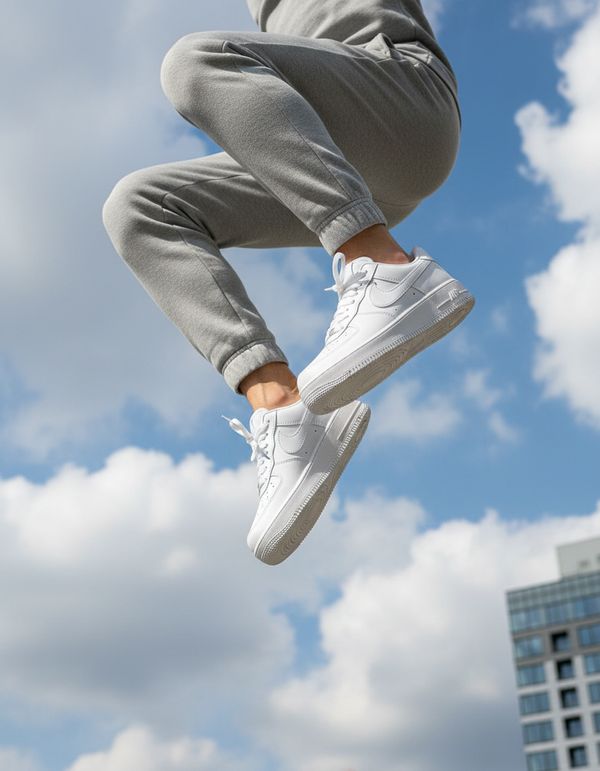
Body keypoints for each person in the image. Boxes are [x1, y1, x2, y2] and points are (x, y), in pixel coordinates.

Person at [101, 0, 474, 566]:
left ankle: (386, 267)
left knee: (197, 62)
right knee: (139, 208)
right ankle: (286, 412)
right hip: (332, 153)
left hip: (402, 98)